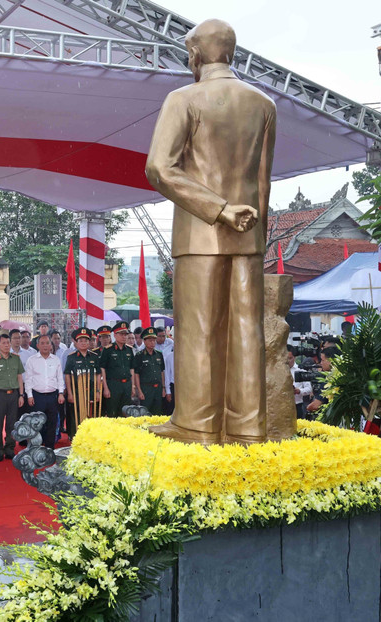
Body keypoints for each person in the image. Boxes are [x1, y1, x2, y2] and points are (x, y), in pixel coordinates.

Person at [145, 19, 274, 446]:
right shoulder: (262, 104)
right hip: (250, 236)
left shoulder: (183, 99)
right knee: (246, 333)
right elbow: (262, 181)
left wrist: (218, 210)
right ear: (231, 53)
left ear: (196, 54)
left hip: (202, 234)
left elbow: (159, 168)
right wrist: (258, 236)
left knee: (200, 330)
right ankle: (247, 427)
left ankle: (197, 424)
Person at [0, 334, 25, 462]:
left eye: (8, 342)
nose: (7, 345)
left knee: (12, 424)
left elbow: (20, 377)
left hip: (13, 394)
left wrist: (21, 395)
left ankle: (9, 449)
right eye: (4, 343)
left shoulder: (16, 359)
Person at [24, 335, 65, 448]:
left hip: (53, 396)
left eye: (47, 343)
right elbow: (28, 379)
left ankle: (49, 448)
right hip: (37, 396)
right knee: (36, 424)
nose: (45, 345)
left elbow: (60, 378)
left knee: (52, 423)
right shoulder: (32, 360)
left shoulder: (56, 360)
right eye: (42, 343)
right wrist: (30, 395)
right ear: (37, 346)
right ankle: (35, 447)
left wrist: (61, 393)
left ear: (51, 345)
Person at [64, 328, 101, 434]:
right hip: (77, 392)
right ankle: (76, 438)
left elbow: (98, 375)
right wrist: (70, 393)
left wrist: (98, 391)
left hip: (92, 391)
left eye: (86, 340)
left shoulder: (94, 357)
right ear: (76, 343)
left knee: (92, 416)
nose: (83, 343)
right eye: (80, 341)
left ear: (90, 342)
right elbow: (67, 376)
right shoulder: (71, 357)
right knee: (76, 417)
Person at [98, 321, 136, 417]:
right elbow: (102, 369)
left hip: (127, 384)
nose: (124, 337)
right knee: (112, 412)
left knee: (126, 412)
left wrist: (132, 386)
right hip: (113, 384)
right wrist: (105, 388)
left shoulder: (129, 349)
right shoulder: (108, 350)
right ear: (115, 335)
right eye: (122, 334)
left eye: (126, 334)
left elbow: (132, 369)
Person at [132, 327, 168, 415]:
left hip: (158, 388)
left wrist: (163, 388)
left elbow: (162, 372)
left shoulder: (159, 354)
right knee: (145, 413)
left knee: (158, 413)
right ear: (144, 341)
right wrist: (139, 390)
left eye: (154, 340)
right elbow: (136, 374)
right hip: (146, 388)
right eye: (150, 340)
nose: (153, 343)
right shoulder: (139, 355)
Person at [305, 347, 338, 415]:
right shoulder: (342, 375)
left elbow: (316, 406)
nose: (321, 363)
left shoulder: (330, 379)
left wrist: (307, 408)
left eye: (323, 360)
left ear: (331, 361)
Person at [287, 346, 311, 419]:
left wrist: (299, 391)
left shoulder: (301, 370)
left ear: (295, 357)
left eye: (290, 358)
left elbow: (309, 389)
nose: (287, 361)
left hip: (297, 405)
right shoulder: (277, 371)